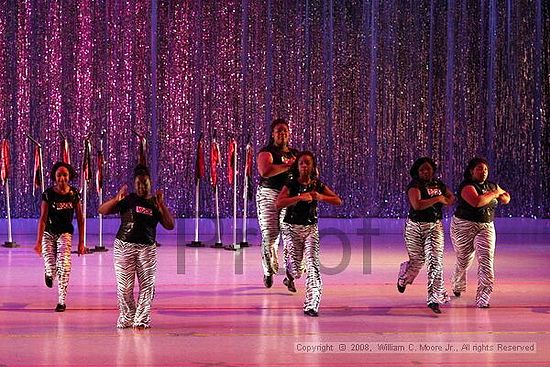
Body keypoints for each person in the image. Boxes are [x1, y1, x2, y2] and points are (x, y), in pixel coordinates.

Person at [99, 164, 174, 329]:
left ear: (150, 184)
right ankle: (128, 316)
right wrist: (115, 199)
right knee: (125, 287)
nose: (142, 186)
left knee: (147, 286)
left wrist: (162, 205)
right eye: (139, 183)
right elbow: (102, 210)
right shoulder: (128, 200)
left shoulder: (155, 203)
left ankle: (141, 319)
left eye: (145, 183)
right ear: (135, 184)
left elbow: (170, 225)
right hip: (124, 246)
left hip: (147, 248)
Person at [276, 151, 342, 317]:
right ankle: (290, 275)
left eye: (307, 163)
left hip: (310, 229)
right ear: (298, 167)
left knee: (313, 266)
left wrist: (320, 197)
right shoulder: (291, 184)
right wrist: (299, 197)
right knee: (297, 270)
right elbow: (279, 203)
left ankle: (311, 305)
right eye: (301, 163)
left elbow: (338, 200)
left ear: (312, 166)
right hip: (291, 228)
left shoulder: (317, 185)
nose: (304, 166)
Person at [396, 157, 455, 314]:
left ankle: (434, 299)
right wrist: (437, 198)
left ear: (433, 170)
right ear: (417, 171)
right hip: (415, 227)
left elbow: (451, 197)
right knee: (417, 261)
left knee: (435, 261)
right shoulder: (414, 186)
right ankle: (404, 277)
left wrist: (445, 199)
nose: (425, 172)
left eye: (428, 169)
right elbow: (417, 204)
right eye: (422, 169)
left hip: (435, 226)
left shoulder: (438, 184)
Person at [450, 157, 510, 308]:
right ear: (471, 171)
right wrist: (495, 193)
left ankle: (483, 297)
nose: (483, 172)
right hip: (464, 226)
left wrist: (497, 193)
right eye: (479, 169)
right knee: (464, 259)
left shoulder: (491, 185)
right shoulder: (467, 186)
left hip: (486, 226)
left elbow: (506, 198)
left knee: (486, 261)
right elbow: (476, 202)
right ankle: (457, 283)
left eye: (485, 169)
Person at [34, 162, 85, 312]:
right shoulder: (48, 194)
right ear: (55, 178)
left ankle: (62, 301)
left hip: (65, 233)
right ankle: (49, 273)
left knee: (65, 265)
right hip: (49, 233)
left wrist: (81, 243)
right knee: (52, 268)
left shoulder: (74, 194)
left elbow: (81, 219)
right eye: (59, 175)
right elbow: (43, 218)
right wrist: (38, 242)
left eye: (64, 175)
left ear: (69, 176)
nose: (62, 178)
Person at [256, 119, 299, 288]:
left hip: (288, 195)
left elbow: (304, 170)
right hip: (268, 195)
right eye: (279, 131)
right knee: (270, 237)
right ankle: (268, 271)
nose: (282, 134)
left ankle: (290, 276)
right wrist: (288, 166)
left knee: (290, 236)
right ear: (272, 134)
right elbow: (265, 171)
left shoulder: (295, 153)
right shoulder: (267, 152)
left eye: (285, 131)